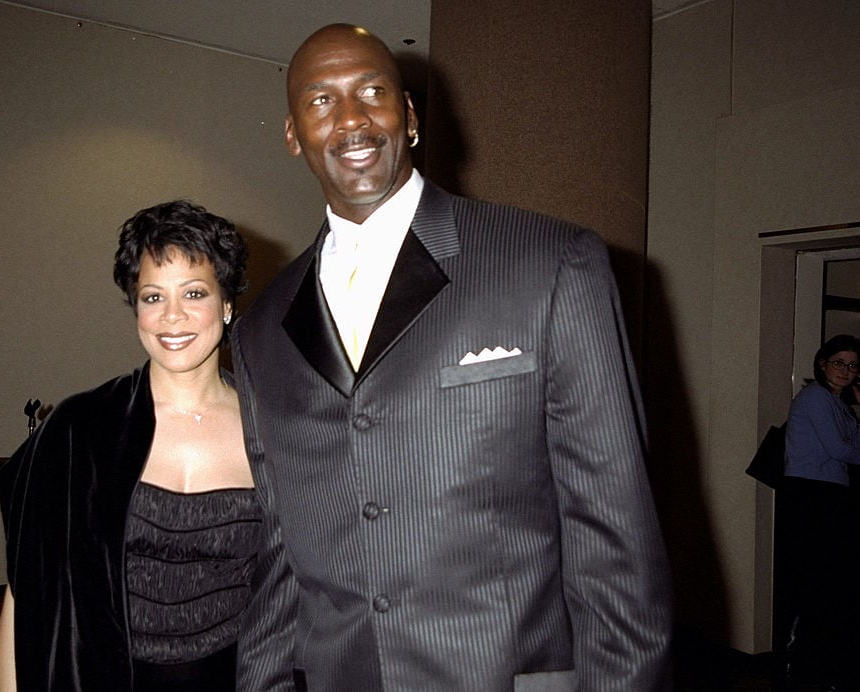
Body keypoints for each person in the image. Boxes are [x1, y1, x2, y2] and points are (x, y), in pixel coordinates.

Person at [231, 23, 672, 691]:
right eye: (320, 101)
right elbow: (281, 553)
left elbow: (618, 545)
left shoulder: (549, 264)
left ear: (408, 116)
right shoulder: (261, 327)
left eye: (372, 91)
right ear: (293, 134)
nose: (351, 118)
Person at [0, 200, 259, 690]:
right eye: (153, 297)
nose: (172, 317)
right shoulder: (80, 429)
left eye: (194, 292)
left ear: (227, 303)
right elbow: (27, 591)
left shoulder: (272, 428)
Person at [780, 334, 860, 687]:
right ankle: (797, 668)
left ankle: (816, 666)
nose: (845, 371)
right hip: (810, 494)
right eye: (838, 362)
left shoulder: (838, 404)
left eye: (852, 365)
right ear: (822, 364)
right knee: (816, 582)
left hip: (829, 495)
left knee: (829, 583)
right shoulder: (815, 396)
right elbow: (843, 451)